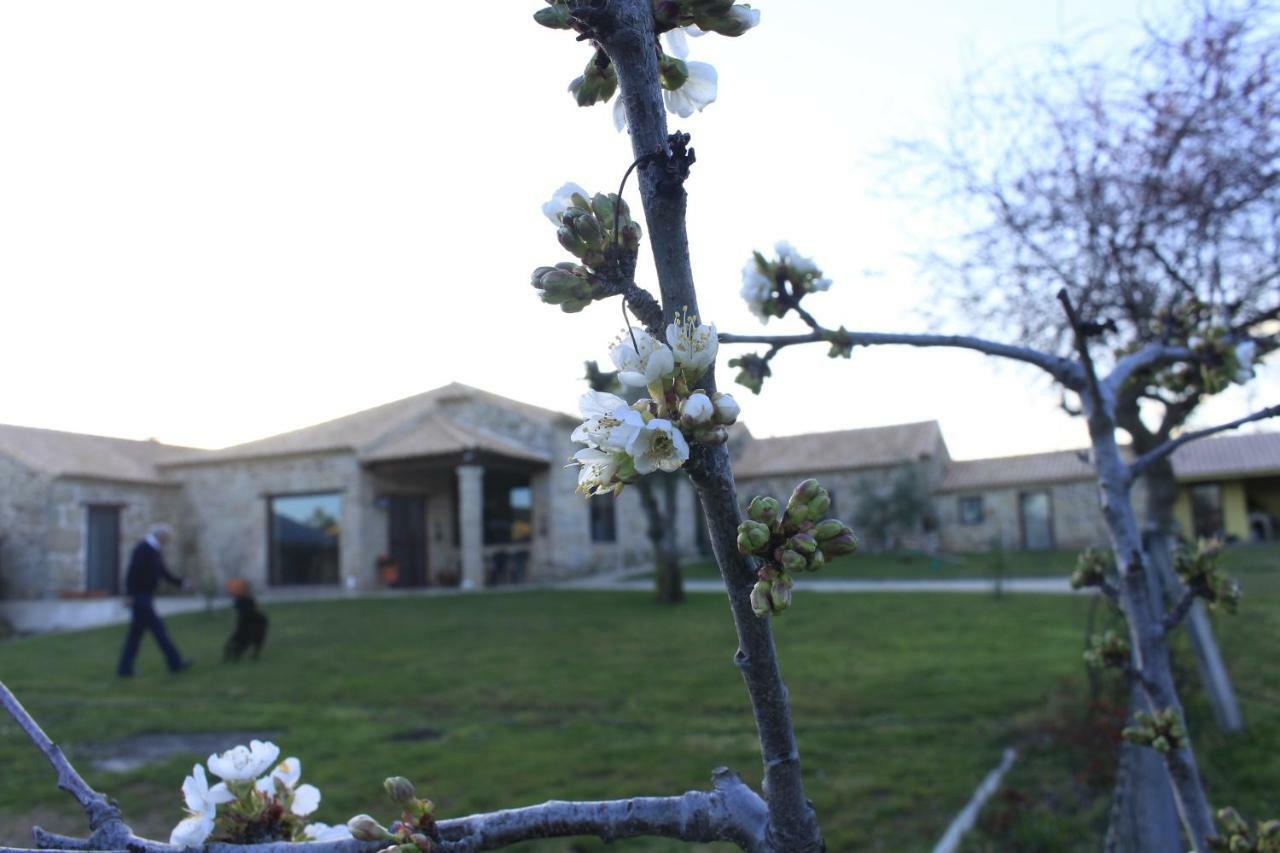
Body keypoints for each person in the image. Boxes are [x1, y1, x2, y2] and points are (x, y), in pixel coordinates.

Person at [116, 523, 193, 677]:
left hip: (145, 596)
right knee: (159, 631)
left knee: (136, 635)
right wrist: (130, 595)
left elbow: (163, 572)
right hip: (140, 597)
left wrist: (181, 583)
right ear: (160, 536)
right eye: (167, 539)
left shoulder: (154, 550)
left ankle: (124, 669)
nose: (168, 542)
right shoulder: (143, 549)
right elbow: (132, 572)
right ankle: (175, 663)